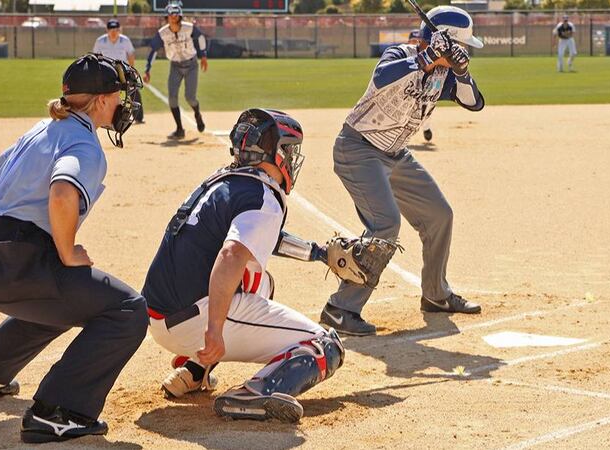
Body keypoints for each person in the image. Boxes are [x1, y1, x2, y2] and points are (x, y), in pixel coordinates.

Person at [0, 54, 147, 443]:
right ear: (102, 100)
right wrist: (67, 250)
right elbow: (61, 193)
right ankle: (59, 411)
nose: (123, 104)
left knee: (60, 299)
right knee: (127, 309)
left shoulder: (43, 128)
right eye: (118, 95)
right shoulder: (84, 143)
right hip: (10, 266)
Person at [142, 108, 344, 423]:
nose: (292, 158)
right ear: (276, 154)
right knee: (323, 345)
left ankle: (195, 369)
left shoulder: (226, 182)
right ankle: (254, 394)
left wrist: (320, 254)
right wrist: (214, 331)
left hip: (160, 314)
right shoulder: (263, 195)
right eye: (289, 150)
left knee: (262, 282)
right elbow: (231, 254)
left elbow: (257, 238)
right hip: (194, 321)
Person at [319, 5, 485, 337]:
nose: (465, 50)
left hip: (395, 155)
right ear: (445, 40)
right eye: (462, 45)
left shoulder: (445, 74)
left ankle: (436, 296)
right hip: (358, 149)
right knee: (385, 225)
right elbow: (382, 77)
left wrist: (463, 72)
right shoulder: (402, 54)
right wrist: (427, 57)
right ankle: (341, 309)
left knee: (439, 214)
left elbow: (474, 103)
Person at [144, 3, 208, 140]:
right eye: (170, 15)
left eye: (176, 15)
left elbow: (201, 37)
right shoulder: (162, 32)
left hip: (191, 65)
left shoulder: (188, 27)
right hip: (175, 66)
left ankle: (197, 114)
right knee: (172, 98)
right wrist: (147, 69)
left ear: (180, 16)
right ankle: (179, 129)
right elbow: (153, 50)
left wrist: (203, 55)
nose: (173, 18)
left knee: (190, 97)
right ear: (166, 17)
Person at [93, 18, 144, 123]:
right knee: (101, 94)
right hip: (106, 72)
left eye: (116, 29)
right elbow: (95, 56)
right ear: (107, 30)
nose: (113, 32)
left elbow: (130, 55)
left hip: (123, 71)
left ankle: (138, 117)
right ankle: (99, 116)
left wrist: (132, 69)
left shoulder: (125, 40)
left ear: (119, 30)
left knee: (133, 90)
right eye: (111, 29)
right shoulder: (100, 41)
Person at [407, 29, 434, 143]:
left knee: (425, 107)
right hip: (409, 85)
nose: (415, 42)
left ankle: (426, 127)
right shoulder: (405, 53)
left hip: (425, 85)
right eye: (413, 40)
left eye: (417, 40)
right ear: (408, 42)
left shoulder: (427, 54)